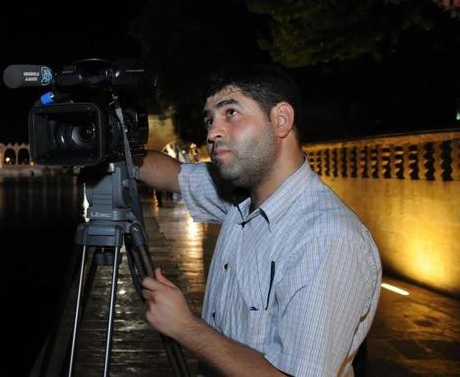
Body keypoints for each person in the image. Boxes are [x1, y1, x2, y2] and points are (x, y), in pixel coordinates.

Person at [137, 65, 381, 377]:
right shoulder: (239, 202)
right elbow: (173, 175)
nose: (212, 132)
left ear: (281, 120)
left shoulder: (325, 238)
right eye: (209, 119)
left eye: (231, 113)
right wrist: (112, 149)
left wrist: (185, 327)